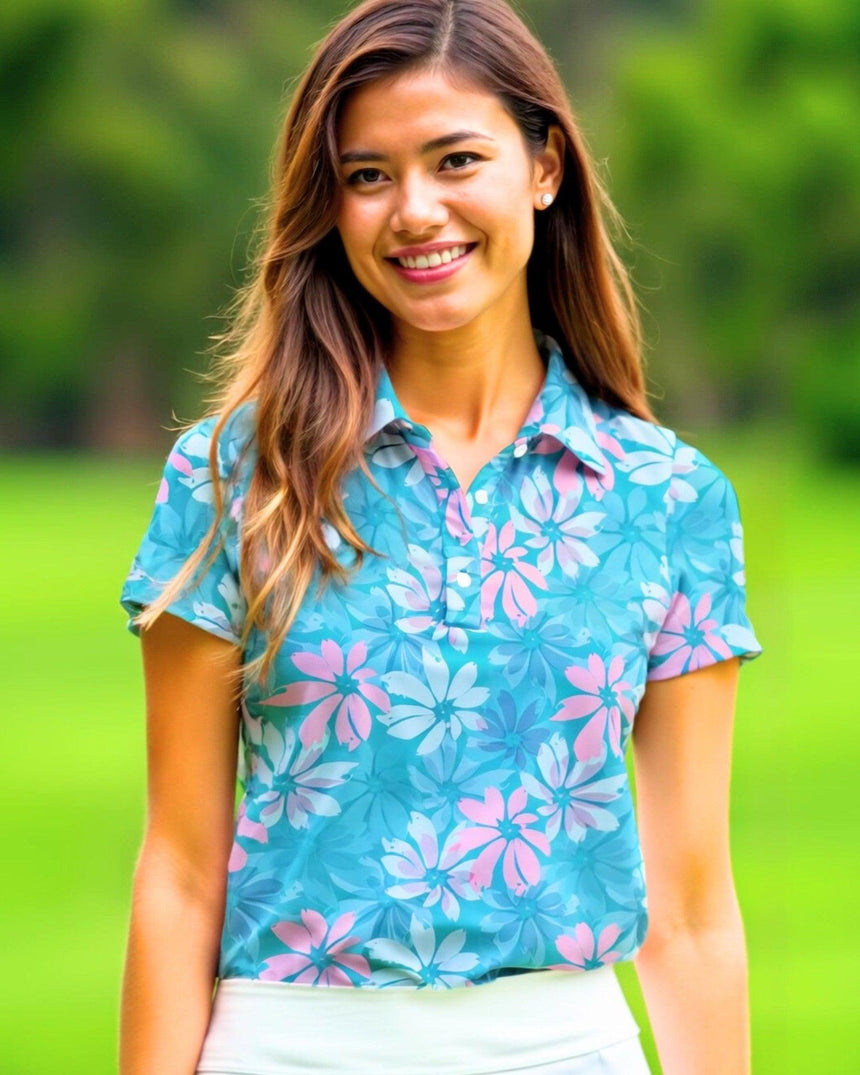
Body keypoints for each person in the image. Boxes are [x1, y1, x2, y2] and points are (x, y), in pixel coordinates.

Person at [117, 0, 764, 1072]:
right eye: (367, 176)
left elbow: (690, 908)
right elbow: (181, 872)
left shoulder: (667, 501)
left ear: (544, 166)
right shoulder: (236, 479)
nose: (414, 210)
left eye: (454, 159)